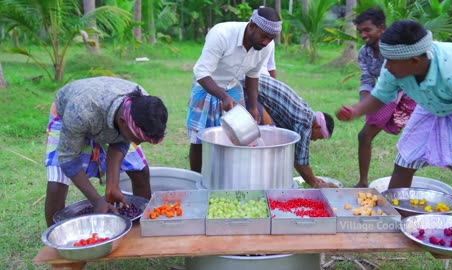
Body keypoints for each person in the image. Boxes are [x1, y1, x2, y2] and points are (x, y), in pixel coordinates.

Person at [335, 20, 452, 269]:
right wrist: (356, 111)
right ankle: (394, 230)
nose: (386, 67)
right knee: (404, 161)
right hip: (429, 107)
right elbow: (381, 95)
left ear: (415, 61)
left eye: (390, 62)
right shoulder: (395, 63)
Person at [44, 76, 168, 227]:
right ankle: (55, 239)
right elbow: (68, 158)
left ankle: (141, 229)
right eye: (138, 138)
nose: (137, 143)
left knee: (140, 171)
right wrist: (97, 200)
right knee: (56, 183)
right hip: (70, 115)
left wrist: (112, 186)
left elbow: (122, 142)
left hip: (101, 114)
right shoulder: (79, 111)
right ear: (123, 122)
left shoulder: (142, 104)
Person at [186, 6, 282, 173]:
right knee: (199, 141)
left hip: (232, 89)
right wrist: (223, 97)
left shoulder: (266, 46)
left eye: (271, 38)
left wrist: (253, 106)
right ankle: (197, 178)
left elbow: (253, 75)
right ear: (252, 26)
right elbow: (201, 72)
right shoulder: (221, 34)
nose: (266, 42)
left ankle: (225, 176)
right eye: (264, 36)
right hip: (206, 88)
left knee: (235, 138)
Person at [352, 8, 416, 187]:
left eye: (367, 30)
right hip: (385, 95)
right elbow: (366, 79)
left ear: (381, 28)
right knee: (364, 136)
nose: (363, 35)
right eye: (360, 32)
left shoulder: (397, 47)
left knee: (433, 140)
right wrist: (364, 103)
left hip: (409, 94)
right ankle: (363, 182)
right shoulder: (364, 53)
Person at [258, 74, 335, 188]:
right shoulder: (305, 124)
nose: (314, 140)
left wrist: (312, 178)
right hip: (250, 87)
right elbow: (301, 162)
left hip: (255, 82)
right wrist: (314, 183)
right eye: (318, 137)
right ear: (317, 127)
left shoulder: (307, 111)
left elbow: (294, 155)